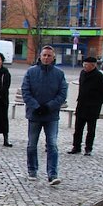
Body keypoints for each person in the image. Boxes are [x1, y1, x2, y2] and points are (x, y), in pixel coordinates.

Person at [22, 45, 68, 185]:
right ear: (40, 56)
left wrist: (49, 106)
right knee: (32, 144)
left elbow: (62, 94)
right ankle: (32, 170)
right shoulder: (31, 72)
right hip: (34, 114)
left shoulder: (59, 74)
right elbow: (26, 91)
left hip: (51, 115)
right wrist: (36, 106)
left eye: (49, 56)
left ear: (53, 58)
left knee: (52, 144)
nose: (46, 58)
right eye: (44, 55)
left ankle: (52, 174)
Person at [68, 57, 103, 156]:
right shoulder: (82, 73)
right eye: (84, 64)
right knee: (78, 129)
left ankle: (88, 148)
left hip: (93, 107)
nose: (84, 66)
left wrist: (98, 102)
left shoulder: (100, 76)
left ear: (93, 65)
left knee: (90, 130)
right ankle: (76, 147)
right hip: (81, 105)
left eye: (86, 65)